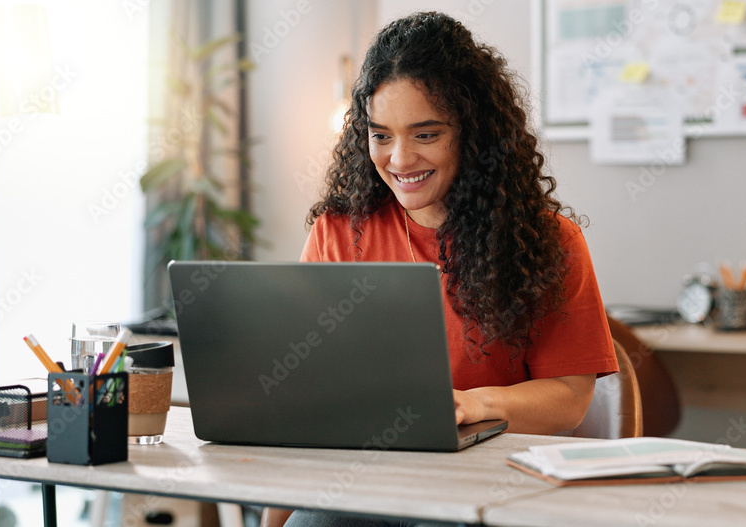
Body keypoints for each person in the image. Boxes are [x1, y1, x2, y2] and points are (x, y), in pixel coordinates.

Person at [263, 11, 617, 527]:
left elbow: (569, 399)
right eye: (380, 135)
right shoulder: (340, 232)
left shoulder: (548, 242)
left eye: (425, 134)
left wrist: (470, 406)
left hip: (490, 485)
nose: (400, 159)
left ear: (471, 134)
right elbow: (308, 403)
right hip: (363, 483)